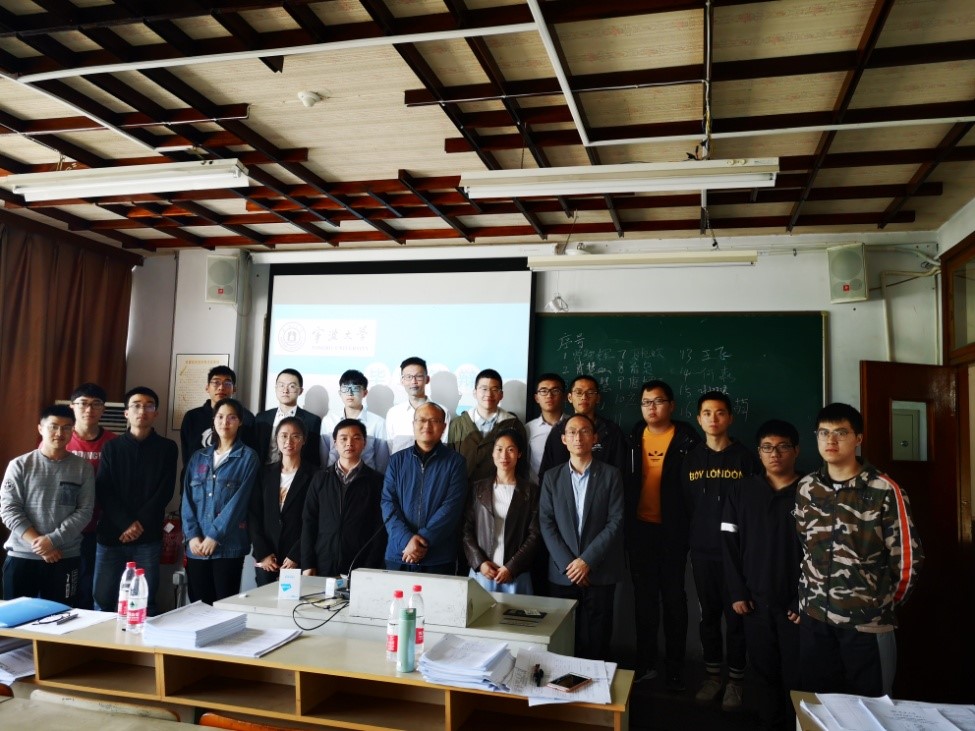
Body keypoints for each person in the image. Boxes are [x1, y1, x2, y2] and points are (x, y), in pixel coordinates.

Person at [795, 403, 923, 697]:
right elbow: (805, 546)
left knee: (870, 706)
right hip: (815, 617)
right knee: (818, 703)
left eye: (841, 432)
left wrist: (881, 602)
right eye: (824, 432)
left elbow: (908, 558)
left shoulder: (884, 489)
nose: (831, 440)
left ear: (858, 438)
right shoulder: (807, 487)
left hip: (866, 622)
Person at [722, 420, 802, 731]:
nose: (775, 454)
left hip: (798, 607)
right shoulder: (742, 489)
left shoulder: (811, 491)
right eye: (767, 448)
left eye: (783, 447)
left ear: (796, 450)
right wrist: (737, 592)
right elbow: (728, 545)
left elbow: (823, 553)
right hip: (754, 601)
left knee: (798, 677)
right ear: (758, 452)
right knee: (764, 675)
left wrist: (803, 598)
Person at [682, 390, 760, 711]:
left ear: (730, 418)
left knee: (737, 618)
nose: (713, 419)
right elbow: (685, 505)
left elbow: (754, 509)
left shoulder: (746, 458)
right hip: (702, 552)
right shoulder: (690, 459)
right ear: (699, 419)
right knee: (709, 617)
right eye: (707, 413)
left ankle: (736, 682)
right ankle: (713, 677)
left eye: (720, 413)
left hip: (737, 554)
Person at [625, 380, 701, 690]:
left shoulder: (687, 439)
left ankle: (675, 668)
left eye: (658, 401)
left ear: (671, 405)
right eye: (646, 402)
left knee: (673, 599)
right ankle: (646, 664)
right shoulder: (633, 437)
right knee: (644, 600)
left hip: (673, 531)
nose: (651, 408)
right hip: (640, 529)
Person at [539, 414, 625, 660]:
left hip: (600, 570)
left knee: (599, 640)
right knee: (564, 640)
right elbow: (546, 523)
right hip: (563, 574)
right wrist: (570, 564)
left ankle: (595, 683)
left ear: (595, 438)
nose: (578, 437)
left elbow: (616, 521)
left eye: (585, 431)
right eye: (572, 432)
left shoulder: (611, 475)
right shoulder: (552, 477)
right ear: (564, 439)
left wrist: (587, 561)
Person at [93, 387, 178, 616]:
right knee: (103, 601)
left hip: (147, 536)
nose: (142, 411)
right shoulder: (111, 447)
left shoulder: (167, 448)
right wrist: (126, 523)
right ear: (126, 413)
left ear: (156, 413)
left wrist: (137, 524)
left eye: (149, 406)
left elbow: (165, 491)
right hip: (111, 535)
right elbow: (104, 489)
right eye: (136, 405)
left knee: (145, 603)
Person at [1, 405, 94, 604]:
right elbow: (9, 510)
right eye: (53, 426)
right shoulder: (20, 465)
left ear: (73, 430)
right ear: (40, 428)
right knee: (17, 621)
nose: (59, 433)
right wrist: (41, 545)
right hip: (22, 555)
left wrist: (52, 541)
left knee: (63, 617)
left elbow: (84, 512)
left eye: (66, 428)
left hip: (65, 556)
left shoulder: (83, 468)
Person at [182, 397, 260, 604]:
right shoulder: (198, 457)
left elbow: (239, 503)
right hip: (197, 547)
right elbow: (187, 500)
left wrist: (214, 536)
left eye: (231, 417)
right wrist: (192, 536)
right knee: (198, 608)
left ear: (240, 422)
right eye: (220, 417)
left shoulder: (248, 458)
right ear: (213, 420)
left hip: (228, 547)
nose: (225, 422)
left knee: (224, 607)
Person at [381, 402, 467, 575]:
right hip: (400, 553)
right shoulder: (397, 461)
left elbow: (451, 508)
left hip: (438, 556)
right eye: (421, 420)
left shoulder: (456, 463)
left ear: (444, 427)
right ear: (413, 424)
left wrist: (422, 540)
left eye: (434, 421)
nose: (427, 425)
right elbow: (388, 502)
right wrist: (406, 540)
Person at [302, 419, 386, 576]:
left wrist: (370, 567)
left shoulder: (376, 481)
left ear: (364, 443)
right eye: (343, 438)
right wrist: (308, 563)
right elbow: (308, 522)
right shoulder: (320, 478)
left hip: (360, 565)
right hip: (323, 562)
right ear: (334, 443)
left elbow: (379, 529)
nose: (349, 443)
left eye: (356, 438)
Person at [462, 428, 540, 594]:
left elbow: (535, 534)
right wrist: (480, 562)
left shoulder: (531, 491)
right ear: (492, 453)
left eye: (510, 450)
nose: (504, 456)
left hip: (516, 575)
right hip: (483, 573)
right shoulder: (478, 488)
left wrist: (512, 567)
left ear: (519, 454)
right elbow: (466, 529)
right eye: (499, 449)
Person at [65, 382, 117, 610]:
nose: (89, 409)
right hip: (65, 526)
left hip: (100, 526)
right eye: (83, 403)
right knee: (65, 587)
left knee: (93, 588)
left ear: (103, 408)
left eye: (96, 404)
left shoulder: (114, 442)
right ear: (72, 406)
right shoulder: (60, 438)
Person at [249, 417, 315, 587]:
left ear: (304, 440)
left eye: (296, 436)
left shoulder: (315, 475)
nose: (289, 441)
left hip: (297, 557)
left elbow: (316, 519)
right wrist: (263, 553)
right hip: (267, 557)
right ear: (276, 439)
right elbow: (253, 515)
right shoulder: (264, 474)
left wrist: (297, 554)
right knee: (263, 600)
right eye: (284, 436)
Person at [538, 375, 626, 481]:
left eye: (590, 393)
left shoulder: (611, 431)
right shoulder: (558, 431)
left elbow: (620, 472)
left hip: (601, 489)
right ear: (570, 397)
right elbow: (546, 473)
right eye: (578, 392)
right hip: (564, 490)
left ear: (598, 398)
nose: (584, 397)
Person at [449, 368, 528, 483]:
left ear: (501, 395)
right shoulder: (457, 424)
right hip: (463, 491)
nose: (489, 394)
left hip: (500, 491)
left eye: (494, 389)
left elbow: (521, 466)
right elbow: (449, 464)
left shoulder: (514, 425)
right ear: (475, 393)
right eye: (484, 389)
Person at [180, 366, 257, 480]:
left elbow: (248, 455)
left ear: (234, 389)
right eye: (216, 382)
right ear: (207, 387)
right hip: (197, 480)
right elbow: (187, 455)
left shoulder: (246, 417)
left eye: (227, 383)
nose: (221, 387)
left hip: (232, 480)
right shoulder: (192, 417)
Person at [320, 369, 389, 473]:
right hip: (333, 477)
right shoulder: (329, 421)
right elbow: (324, 457)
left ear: (365, 393)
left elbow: (382, 461)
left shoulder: (378, 423)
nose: (350, 393)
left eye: (355, 388)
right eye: (345, 389)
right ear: (340, 393)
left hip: (366, 479)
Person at [255, 368, 322, 467]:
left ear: (300, 391)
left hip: (297, 473)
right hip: (264, 473)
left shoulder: (312, 421)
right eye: (281, 385)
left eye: (291, 386)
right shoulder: (262, 418)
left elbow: (313, 457)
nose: (285, 390)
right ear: (276, 388)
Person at [385, 357, 449, 454]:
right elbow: (390, 447)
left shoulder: (441, 411)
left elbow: (444, 445)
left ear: (427, 379)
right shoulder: (393, 413)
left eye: (418, 376)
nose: (413, 382)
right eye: (408, 377)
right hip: (401, 464)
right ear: (402, 381)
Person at [526, 373, 567, 482]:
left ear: (564, 396)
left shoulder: (574, 425)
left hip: (568, 487)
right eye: (543, 391)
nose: (549, 395)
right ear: (536, 398)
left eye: (555, 391)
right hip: (536, 487)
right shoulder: (529, 428)